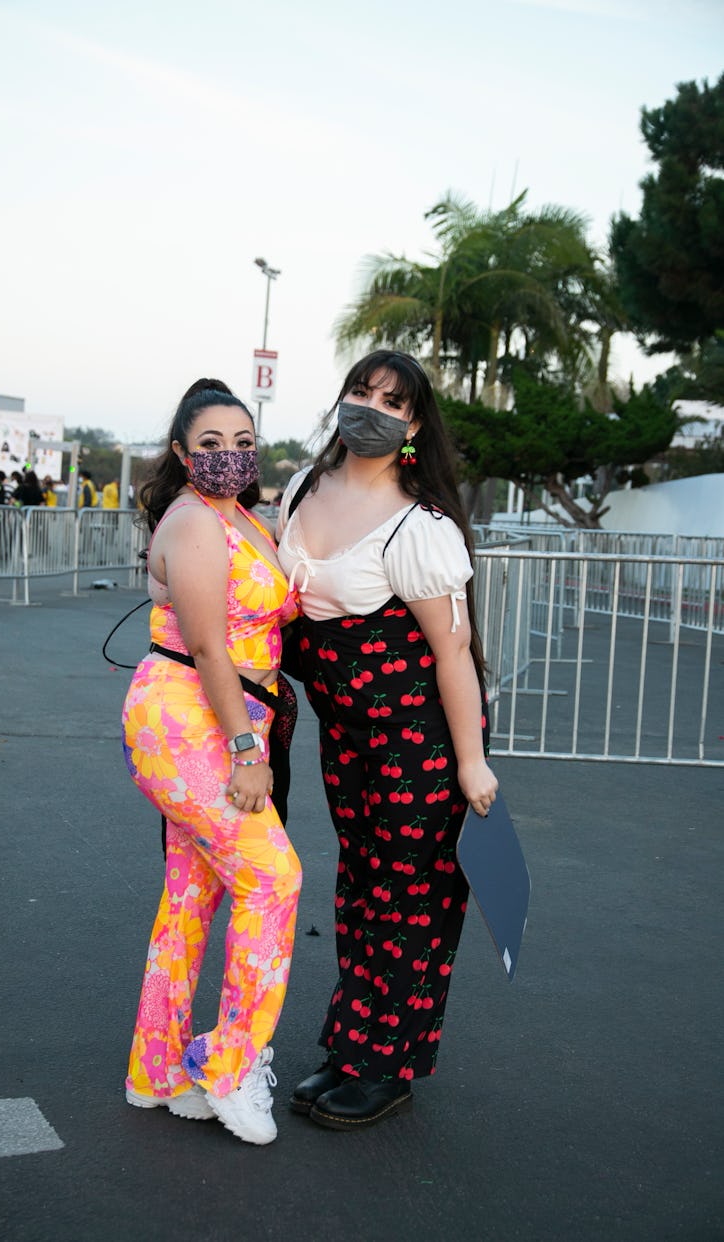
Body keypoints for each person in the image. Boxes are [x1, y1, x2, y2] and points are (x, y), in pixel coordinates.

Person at [276, 349, 498, 1130]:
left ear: (413, 425)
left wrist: (471, 763)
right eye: (361, 390)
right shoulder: (305, 489)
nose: (371, 406)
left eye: (393, 400)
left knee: (413, 902)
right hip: (347, 736)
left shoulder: (420, 524)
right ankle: (352, 1045)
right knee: (361, 890)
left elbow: (453, 652)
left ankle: (389, 1067)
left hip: (419, 742)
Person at [121, 379, 302, 1146]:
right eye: (209, 446)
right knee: (274, 876)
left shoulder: (241, 516)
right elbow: (206, 646)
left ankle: (156, 1070)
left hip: (225, 711)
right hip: (190, 719)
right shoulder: (195, 523)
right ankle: (229, 1064)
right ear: (179, 453)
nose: (229, 457)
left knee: (193, 892)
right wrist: (246, 749)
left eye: (241, 442)